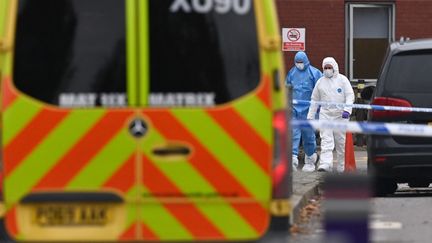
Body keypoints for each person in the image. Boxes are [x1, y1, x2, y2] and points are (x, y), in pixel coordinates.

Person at [307, 57, 355, 172]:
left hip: (340, 115)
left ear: (335, 68)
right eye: (325, 68)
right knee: (326, 140)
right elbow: (314, 100)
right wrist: (310, 116)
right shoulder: (320, 82)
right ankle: (325, 164)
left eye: (329, 68)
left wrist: (347, 110)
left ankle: (341, 167)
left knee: (341, 142)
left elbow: (350, 95)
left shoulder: (343, 80)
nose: (327, 70)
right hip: (326, 114)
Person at [286, 51, 322, 172]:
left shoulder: (315, 73)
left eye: (301, 62)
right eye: (297, 62)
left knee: (308, 135)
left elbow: (321, 92)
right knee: (293, 134)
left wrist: (318, 111)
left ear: (306, 61)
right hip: (294, 110)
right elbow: (287, 89)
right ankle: (293, 159)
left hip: (309, 110)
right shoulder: (291, 73)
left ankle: (310, 159)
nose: (299, 64)